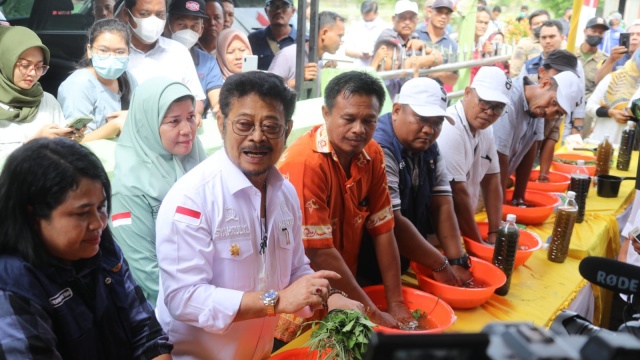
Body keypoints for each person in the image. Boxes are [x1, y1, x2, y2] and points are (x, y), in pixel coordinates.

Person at [155, 71, 360, 359]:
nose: (257, 137)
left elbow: (296, 269)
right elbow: (184, 299)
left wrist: (331, 297)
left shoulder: (285, 194)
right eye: (244, 124)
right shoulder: (192, 198)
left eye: (271, 126)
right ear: (221, 124)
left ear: (287, 131)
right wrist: (274, 302)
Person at [0, 137, 173, 359]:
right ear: (33, 216)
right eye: (82, 213)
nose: (99, 224)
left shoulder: (101, 247)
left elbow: (146, 335)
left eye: (101, 207)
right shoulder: (12, 287)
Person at [277, 71, 414, 333]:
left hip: (347, 291)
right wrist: (373, 311)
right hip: (300, 303)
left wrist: (396, 303)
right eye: (349, 119)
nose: (359, 130)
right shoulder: (305, 163)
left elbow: (384, 228)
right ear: (326, 113)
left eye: (369, 121)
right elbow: (318, 251)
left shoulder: (372, 152)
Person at [356, 77, 473, 289]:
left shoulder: (429, 147)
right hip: (363, 268)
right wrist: (441, 265)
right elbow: (394, 222)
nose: (430, 129)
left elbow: (443, 204)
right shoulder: (380, 148)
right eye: (421, 118)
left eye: (437, 122)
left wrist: (457, 261)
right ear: (397, 110)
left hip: (403, 259)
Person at [109, 77, 206, 306]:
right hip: (168, 310)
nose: (187, 130)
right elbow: (147, 271)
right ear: (147, 125)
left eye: (191, 117)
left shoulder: (199, 163)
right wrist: (202, 305)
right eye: (174, 121)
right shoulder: (128, 191)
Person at [438, 66, 510, 246]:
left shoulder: (486, 129)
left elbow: (492, 179)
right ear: (467, 93)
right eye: (484, 102)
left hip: (461, 226)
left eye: (498, 108)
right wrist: (478, 245)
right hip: (438, 231)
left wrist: (495, 232)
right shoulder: (450, 126)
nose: (490, 112)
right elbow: (457, 192)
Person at [493, 70, 582, 204]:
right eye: (553, 103)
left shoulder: (537, 107)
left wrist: (519, 197)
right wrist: (498, 204)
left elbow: (530, 149)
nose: (549, 112)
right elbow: (499, 157)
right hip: (477, 181)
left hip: (495, 183)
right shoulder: (510, 101)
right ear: (545, 84)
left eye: (558, 112)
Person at [120, 0, 206, 125]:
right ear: (127, 14)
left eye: (160, 15)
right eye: (144, 14)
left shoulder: (178, 52)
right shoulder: (115, 53)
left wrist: (193, 114)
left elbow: (196, 100)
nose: (153, 21)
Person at [0, 26, 81, 156]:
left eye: (39, 67)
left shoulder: (47, 101)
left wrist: (69, 140)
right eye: (25, 65)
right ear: (5, 61)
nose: (32, 73)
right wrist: (35, 143)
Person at [58, 19, 136, 142]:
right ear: (89, 50)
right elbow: (75, 140)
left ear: (129, 53)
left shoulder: (127, 79)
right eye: (103, 50)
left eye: (120, 52)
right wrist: (115, 125)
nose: (111, 57)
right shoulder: (78, 85)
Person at [165, 0, 223, 115]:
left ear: (201, 30)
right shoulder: (155, 56)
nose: (188, 31)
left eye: (194, 26)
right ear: (167, 25)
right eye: (181, 25)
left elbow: (216, 97)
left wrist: (220, 108)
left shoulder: (208, 62)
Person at [529, 50, 579, 181]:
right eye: (559, 74)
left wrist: (544, 175)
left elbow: (551, 137)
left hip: (529, 163)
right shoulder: (526, 90)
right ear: (542, 72)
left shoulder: (561, 99)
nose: (563, 80)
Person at [268, 11, 345, 89]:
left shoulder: (319, 59)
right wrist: (298, 80)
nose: (341, 42)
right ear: (324, 33)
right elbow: (268, 89)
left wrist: (323, 73)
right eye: (340, 36)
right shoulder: (288, 55)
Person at [587, 49, 640, 146]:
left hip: (630, 148)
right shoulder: (612, 78)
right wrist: (611, 112)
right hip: (601, 142)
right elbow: (590, 107)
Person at [576, 16, 610, 138]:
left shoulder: (606, 60)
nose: (597, 35)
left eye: (600, 32)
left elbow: (604, 92)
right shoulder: (570, 53)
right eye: (593, 31)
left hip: (587, 112)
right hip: (565, 108)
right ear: (585, 31)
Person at [418, 0, 458, 86]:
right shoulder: (416, 35)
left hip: (435, 94)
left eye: (447, 13)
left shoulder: (452, 45)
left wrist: (439, 73)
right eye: (439, 12)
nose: (443, 16)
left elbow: (454, 79)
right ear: (429, 12)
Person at [248, 0, 297, 71]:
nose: (278, 11)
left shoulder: (303, 41)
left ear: (293, 11)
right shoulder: (253, 39)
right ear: (266, 10)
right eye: (272, 6)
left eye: (284, 6)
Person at [342, 1, 388, 67]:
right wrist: (360, 54)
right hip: (358, 68)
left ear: (376, 13)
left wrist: (374, 54)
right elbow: (347, 51)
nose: (367, 18)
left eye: (369, 16)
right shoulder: (355, 26)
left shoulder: (384, 27)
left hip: (379, 68)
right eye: (365, 16)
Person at [510, 9, 550, 78]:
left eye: (544, 22)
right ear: (530, 28)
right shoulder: (524, 44)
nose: (541, 26)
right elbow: (515, 73)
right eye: (536, 24)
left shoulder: (560, 42)